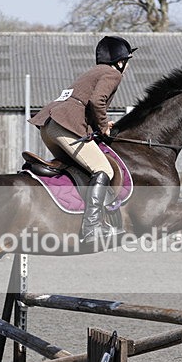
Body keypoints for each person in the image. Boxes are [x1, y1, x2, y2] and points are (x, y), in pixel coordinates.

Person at [29, 35, 136, 243]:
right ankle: (92, 228)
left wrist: (101, 124)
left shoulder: (93, 71)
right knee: (103, 169)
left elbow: (85, 105)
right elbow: (98, 101)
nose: (128, 66)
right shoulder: (112, 73)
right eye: (128, 61)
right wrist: (104, 125)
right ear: (120, 62)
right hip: (65, 127)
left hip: (50, 126)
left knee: (83, 168)